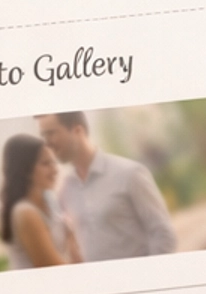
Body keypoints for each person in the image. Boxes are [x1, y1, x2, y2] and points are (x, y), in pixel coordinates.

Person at [37, 111, 176, 262]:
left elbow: (164, 234)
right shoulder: (65, 190)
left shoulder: (130, 173)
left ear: (78, 131)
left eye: (51, 134)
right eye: (43, 136)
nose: (47, 143)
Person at [0, 135, 82, 270]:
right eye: (46, 164)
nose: (55, 170)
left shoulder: (50, 202)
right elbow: (54, 270)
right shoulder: (25, 212)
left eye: (54, 162)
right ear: (25, 169)